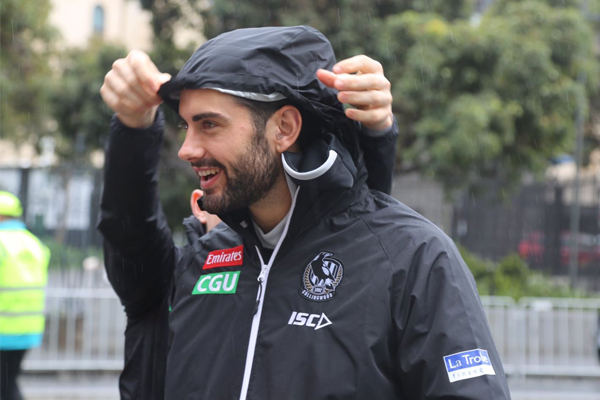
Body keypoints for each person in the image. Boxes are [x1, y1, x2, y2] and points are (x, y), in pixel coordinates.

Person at [99, 25, 510, 399]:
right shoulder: (202, 262)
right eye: (187, 126)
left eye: (209, 124)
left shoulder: (414, 256)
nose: (187, 149)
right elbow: (130, 243)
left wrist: (379, 131)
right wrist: (133, 125)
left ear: (284, 129)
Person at [0, 191, 50, 400]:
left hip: (3, 326)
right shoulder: (34, 243)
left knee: (5, 385)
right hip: (28, 327)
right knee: (7, 381)